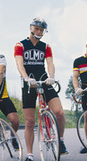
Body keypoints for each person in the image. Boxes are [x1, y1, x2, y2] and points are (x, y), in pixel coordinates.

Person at [14, 17, 68, 161]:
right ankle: (30, 155)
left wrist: (51, 76)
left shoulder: (46, 46)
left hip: (43, 78)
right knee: (30, 121)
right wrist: (26, 78)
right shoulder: (20, 45)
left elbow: (50, 63)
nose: (38, 31)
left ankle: (61, 140)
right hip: (28, 81)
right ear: (31, 28)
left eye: (41, 30)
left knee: (59, 112)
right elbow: (19, 63)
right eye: (36, 28)